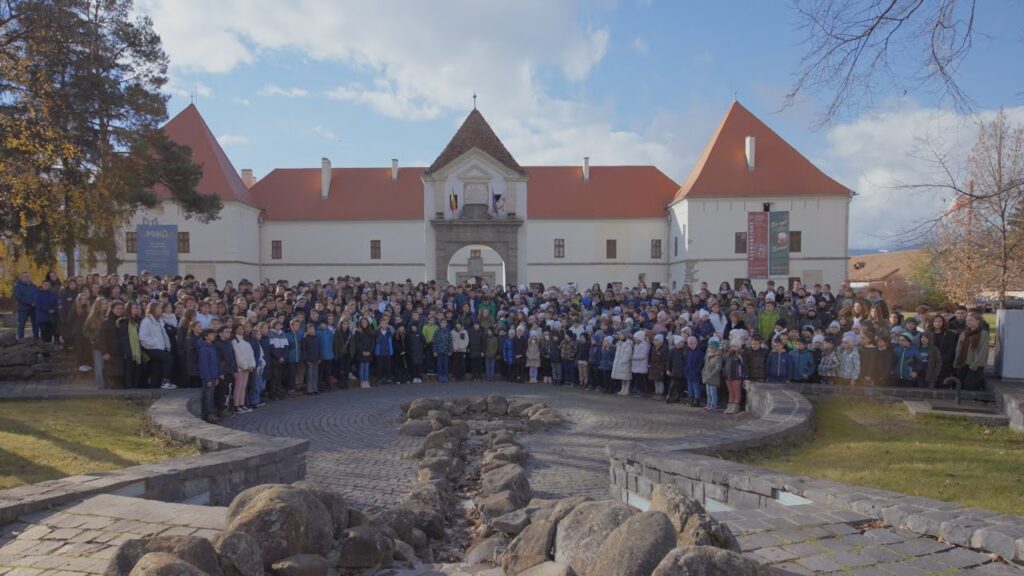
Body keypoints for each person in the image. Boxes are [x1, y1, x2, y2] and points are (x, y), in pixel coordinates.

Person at [139, 302, 176, 389]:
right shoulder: (146, 321)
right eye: (159, 308)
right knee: (169, 359)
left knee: (157, 366)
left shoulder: (160, 321)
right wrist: (155, 344)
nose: (161, 310)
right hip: (152, 348)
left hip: (161, 347)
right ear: (153, 309)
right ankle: (165, 381)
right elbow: (143, 337)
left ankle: (155, 385)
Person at [954, 312, 988, 391]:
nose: (968, 322)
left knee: (971, 386)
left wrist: (975, 364)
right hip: (963, 363)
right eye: (967, 320)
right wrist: (956, 362)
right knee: (961, 386)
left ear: (977, 321)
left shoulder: (983, 334)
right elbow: (958, 348)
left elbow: (983, 351)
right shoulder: (964, 334)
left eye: (971, 320)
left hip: (975, 365)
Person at [198, 329, 220, 421]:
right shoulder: (204, 349)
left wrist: (216, 376)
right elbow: (204, 365)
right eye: (211, 334)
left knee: (211, 396)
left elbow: (215, 363)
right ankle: (208, 415)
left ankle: (211, 413)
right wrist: (208, 379)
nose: (213, 336)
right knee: (207, 396)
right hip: (208, 377)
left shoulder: (212, 347)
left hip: (214, 376)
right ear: (206, 336)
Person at [13, 272, 39, 340]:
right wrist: (30, 303)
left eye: (28, 276)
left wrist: (36, 302)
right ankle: (21, 339)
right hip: (23, 309)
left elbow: (37, 295)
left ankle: (36, 339)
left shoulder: (34, 286)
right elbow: (19, 297)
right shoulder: (18, 286)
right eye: (25, 277)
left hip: (33, 309)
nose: (27, 278)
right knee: (21, 325)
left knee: (35, 324)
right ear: (21, 278)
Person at [723, 343, 746, 414]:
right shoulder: (728, 354)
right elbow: (724, 358)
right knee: (730, 391)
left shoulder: (740, 355)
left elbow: (743, 364)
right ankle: (730, 404)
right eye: (733, 346)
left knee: (736, 391)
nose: (734, 348)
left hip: (736, 375)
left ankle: (736, 406)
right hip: (728, 375)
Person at [702, 338, 723, 411]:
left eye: (712, 348)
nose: (710, 349)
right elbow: (705, 363)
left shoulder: (717, 357)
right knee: (708, 393)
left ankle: (713, 406)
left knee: (713, 393)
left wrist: (712, 374)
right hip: (707, 377)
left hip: (713, 378)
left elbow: (718, 367)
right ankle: (709, 404)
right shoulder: (708, 356)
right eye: (709, 348)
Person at [354, 318, 375, 388]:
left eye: (365, 322)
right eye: (362, 322)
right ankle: (362, 381)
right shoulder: (358, 332)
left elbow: (372, 343)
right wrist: (362, 351)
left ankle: (366, 381)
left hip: (369, 352)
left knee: (367, 366)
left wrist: (370, 351)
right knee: (362, 366)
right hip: (361, 352)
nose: (364, 324)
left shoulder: (370, 332)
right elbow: (357, 343)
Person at [302, 322, 321, 395]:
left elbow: (319, 348)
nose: (311, 330)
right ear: (307, 330)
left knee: (315, 374)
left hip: (316, 358)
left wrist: (320, 357)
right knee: (309, 375)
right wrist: (306, 359)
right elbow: (304, 350)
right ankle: (309, 390)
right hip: (309, 359)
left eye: (312, 328)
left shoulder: (317, 337)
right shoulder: (305, 338)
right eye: (309, 329)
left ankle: (315, 388)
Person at [611, 331, 633, 395]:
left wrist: (623, 360)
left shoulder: (628, 344)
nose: (619, 336)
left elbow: (628, 354)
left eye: (621, 335)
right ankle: (622, 388)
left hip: (625, 363)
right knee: (622, 377)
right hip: (620, 362)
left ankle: (627, 389)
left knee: (626, 377)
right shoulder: (620, 343)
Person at [433, 319, 452, 383]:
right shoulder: (437, 331)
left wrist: (450, 350)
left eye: (444, 323)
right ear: (440, 324)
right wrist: (434, 351)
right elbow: (434, 341)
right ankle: (440, 377)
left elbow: (450, 342)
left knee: (445, 365)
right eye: (442, 323)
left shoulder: (448, 332)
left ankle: (445, 377)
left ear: (446, 324)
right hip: (439, 351)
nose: (443, 324)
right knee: (439, 365)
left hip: (446, 351)